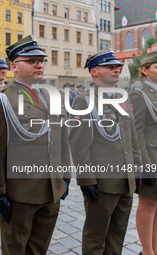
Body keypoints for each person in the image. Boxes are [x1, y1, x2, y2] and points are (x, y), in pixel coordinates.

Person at [0, 35, 71, 255]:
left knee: (39, 248)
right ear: (14, 66)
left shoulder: (50, 95)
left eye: (41, 60)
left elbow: (61, 139)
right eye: (32, 61)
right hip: (20, 194)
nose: (39, 64)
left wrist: (66, 176)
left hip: (51, 189)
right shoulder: (2, 99)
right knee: (15, 249)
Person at [69, 49, 142, 255]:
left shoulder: (123, 98)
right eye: (110, 67)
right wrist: (86, 180)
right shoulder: (84, 101)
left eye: (118, 66)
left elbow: (132, 138)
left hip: (125, 181)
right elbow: (78, 145)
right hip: (102, 184)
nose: (117, 70)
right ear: (94, 72)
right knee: (95, 239)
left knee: (117, 237)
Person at [130, 52, 157, 255]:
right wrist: (144, 165)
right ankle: (147, 252)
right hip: (151, 158)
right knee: (147, 207)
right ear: (145, 70)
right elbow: (136, 132)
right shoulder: (140, 95)